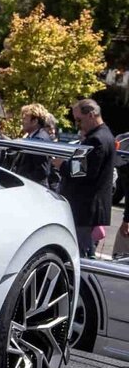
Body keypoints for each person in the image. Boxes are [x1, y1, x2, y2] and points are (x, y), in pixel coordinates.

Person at [60, 98, 117, 258]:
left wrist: (61, 165)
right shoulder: (103, 135)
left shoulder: (96, 139)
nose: (77, 125)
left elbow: (82, 172)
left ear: (91, 115)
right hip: (88, 208)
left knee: (81, 255)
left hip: (85, 209)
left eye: (79, 120)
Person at [9, 103, 54, 187]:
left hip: (33, 188)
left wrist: (22, 181)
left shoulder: (39, 140)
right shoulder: (33, 137)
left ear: (34, 121)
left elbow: (41, 172)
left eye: (24, 119)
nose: (22, 122)